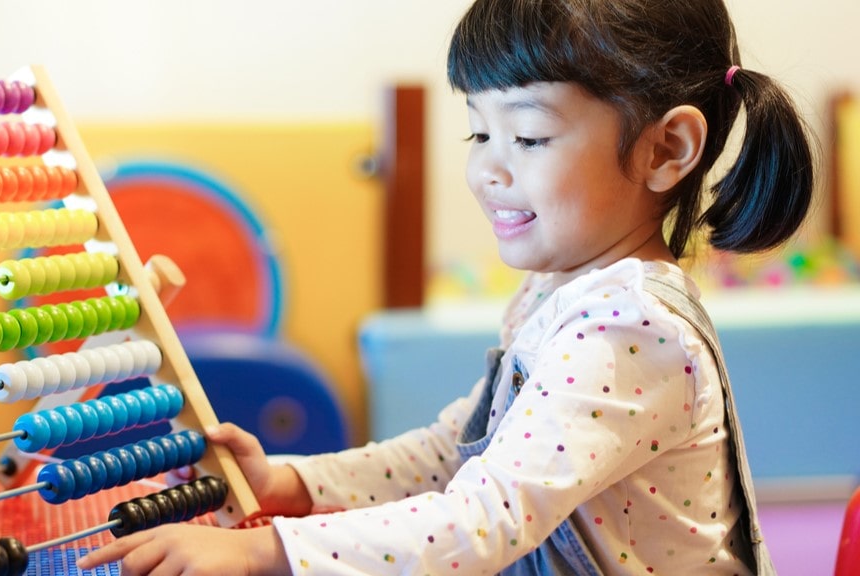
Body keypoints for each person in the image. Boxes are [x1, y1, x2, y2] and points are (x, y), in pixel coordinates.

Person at [78, 0, 815, 573]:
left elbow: (481, 518)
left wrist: (261, 551)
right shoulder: (554, 296)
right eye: (478, 133)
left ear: (667, 149)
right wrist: (290, 483)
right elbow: (451, 455)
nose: (488, 169)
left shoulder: (629, 330)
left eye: (526, 137)